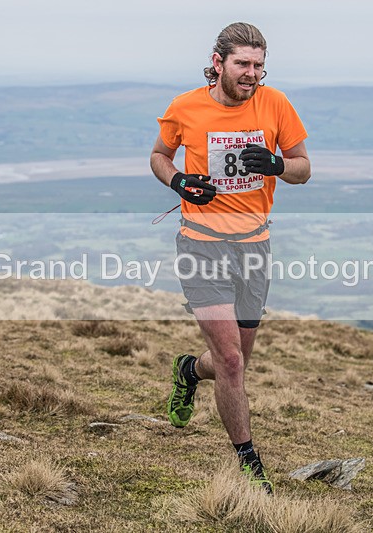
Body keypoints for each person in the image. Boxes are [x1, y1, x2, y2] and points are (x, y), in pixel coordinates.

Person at [150, 22, 311, 494]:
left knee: (236, 359)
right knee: (232, 362)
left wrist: (277, 165)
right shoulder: (185, 107)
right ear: (218, 63)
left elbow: (303, 169)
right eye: (243, 64)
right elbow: (159, 155)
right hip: (201, 244)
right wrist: (179, 182)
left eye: (259, 65)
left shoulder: (275, 103)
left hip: (254, 247)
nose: (252, 74)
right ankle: (249, 465)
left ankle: (188, 370)